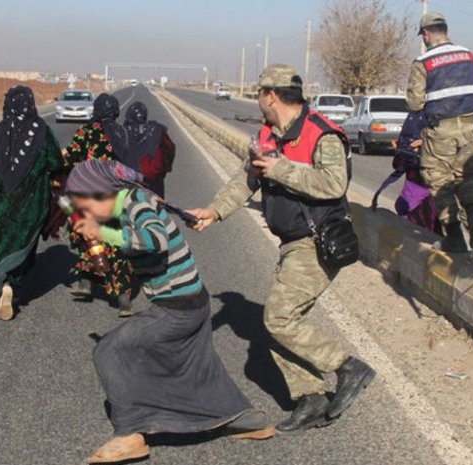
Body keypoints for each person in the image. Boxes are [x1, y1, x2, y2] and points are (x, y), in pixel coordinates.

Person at [187, 64, 376, 433]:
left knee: (278, 318)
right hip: (292, 243)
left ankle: (348, 366)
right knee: (278, 321)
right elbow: (246, 180)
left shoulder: (321, 134)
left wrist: (281, 169)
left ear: (270, 95)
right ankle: (311, 399)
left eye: (258, 93)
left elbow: (334, 184)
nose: (258, 100)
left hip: (318, 241)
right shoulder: (267, 135)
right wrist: (214, 211)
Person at [65, 160, 274, 464]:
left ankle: (129, 435)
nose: (83, 210)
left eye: (84, 202)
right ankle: (249, 421)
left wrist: (105, 234)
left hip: (178, 306)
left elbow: (155, 241)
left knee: (108, 351)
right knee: (197, 368)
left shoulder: (138, 204)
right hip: (192, 300)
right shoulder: (130, 203)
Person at [0, 86, 65, 321]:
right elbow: (56, 163)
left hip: (5, 201)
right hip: (34, 203)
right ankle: (14, 286)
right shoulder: (42, 132)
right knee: (25, 245)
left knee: (4, 244)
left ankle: (4, 283)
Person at [407, 12, 473, 256]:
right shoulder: (469, 55)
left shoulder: (423, 62)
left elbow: (414, 103)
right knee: (467, 177)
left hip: (441, 131)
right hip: (471, 128)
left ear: (426, 34)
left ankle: (454, 238)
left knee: (439, 181)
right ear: (445, 30)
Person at [63, 93, 134, 316]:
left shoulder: (87, 132)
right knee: (115, 245)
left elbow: (72, 158)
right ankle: (122, 298)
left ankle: (87, 281)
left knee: (87, 237)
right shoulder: (123, 133)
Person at [111, 101, 176, 198]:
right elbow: (170, 148)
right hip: (152, 180)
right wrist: (165, 169)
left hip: (127, 180)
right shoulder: (157, 129)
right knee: (158, 206)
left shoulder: (120, 132)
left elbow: (112, 153)